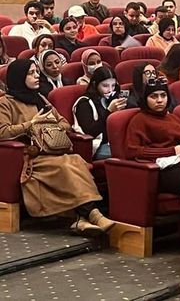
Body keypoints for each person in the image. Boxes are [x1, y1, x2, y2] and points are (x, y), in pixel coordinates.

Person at [0, 59, 114, 236]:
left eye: (37, 72)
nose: (37, 76)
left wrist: (50, 125)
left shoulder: (40, 98)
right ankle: (94, 214)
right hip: (30, 156)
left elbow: (65, 123)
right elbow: (3, 132)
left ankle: (82, 219)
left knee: (76, 161)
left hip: (52, 150)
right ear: (19, 77)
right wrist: (31, 124)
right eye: (31, 73)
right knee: (64, 166)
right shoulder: (6, 103)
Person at [125, 77, 180, 195]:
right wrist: (171, 151)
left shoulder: (171, 117)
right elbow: (132, 151)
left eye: (163, 95)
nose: (159, 100)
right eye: (154, 96)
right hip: (161, 169)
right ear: (145, 99)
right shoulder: (139, 120)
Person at [73, 66, 127, 160]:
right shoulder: (84, 103)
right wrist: (109, 111)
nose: (110, 90)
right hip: (97, 145)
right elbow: (91, 132)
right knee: (125, 153)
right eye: (105, 86)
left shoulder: (112, 99)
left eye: (113, 85)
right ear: (95, 84)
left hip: (114, 141)